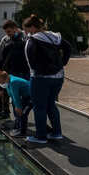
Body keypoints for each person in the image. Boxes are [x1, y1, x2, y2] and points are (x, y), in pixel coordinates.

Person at [23, 14, 72, 144]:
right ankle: (56, 133)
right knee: (51, 105)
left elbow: (31, 61)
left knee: (39, 107)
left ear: (32, 27)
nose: (26, 32)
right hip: (58, 76)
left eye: (27, 29)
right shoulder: (54, 37)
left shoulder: (33, 40)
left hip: (40, 78)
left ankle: (40, 136)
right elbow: (68, 47)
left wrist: (38, 71)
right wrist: (63, 62)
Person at [0, 70, 32, 138]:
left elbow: (16, 96)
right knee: (18, 112)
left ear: (5, 79)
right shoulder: (8, 81)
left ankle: (23, 132)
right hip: (25, 97)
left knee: (23, 113)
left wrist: (18, 107)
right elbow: (11, 95)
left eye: (2, 82)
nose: (1, 84)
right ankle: (19, 128)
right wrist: (16, 106)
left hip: (32, 97)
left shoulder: (13, 82)